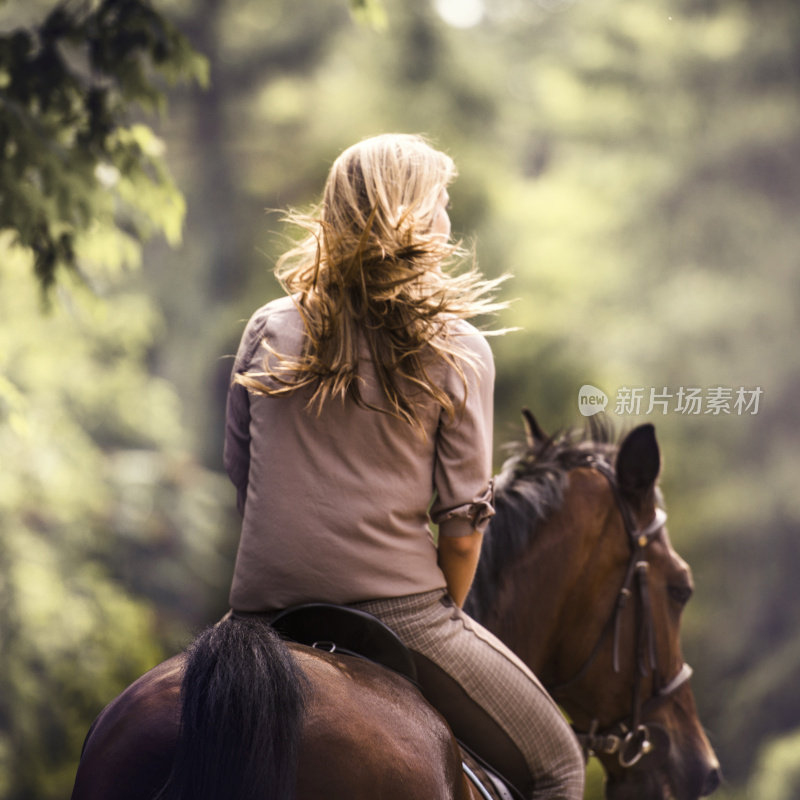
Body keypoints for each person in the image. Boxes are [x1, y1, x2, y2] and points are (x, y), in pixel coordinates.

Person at [223, 133, 585, 799]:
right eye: (441, 204)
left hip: (257, 610)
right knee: (560, 766)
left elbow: (242, 471)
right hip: (396, 609)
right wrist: (442, 615)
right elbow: (463, 527)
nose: (449, 223)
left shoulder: (268, 326)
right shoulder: (457, 349)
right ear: (415, 214)